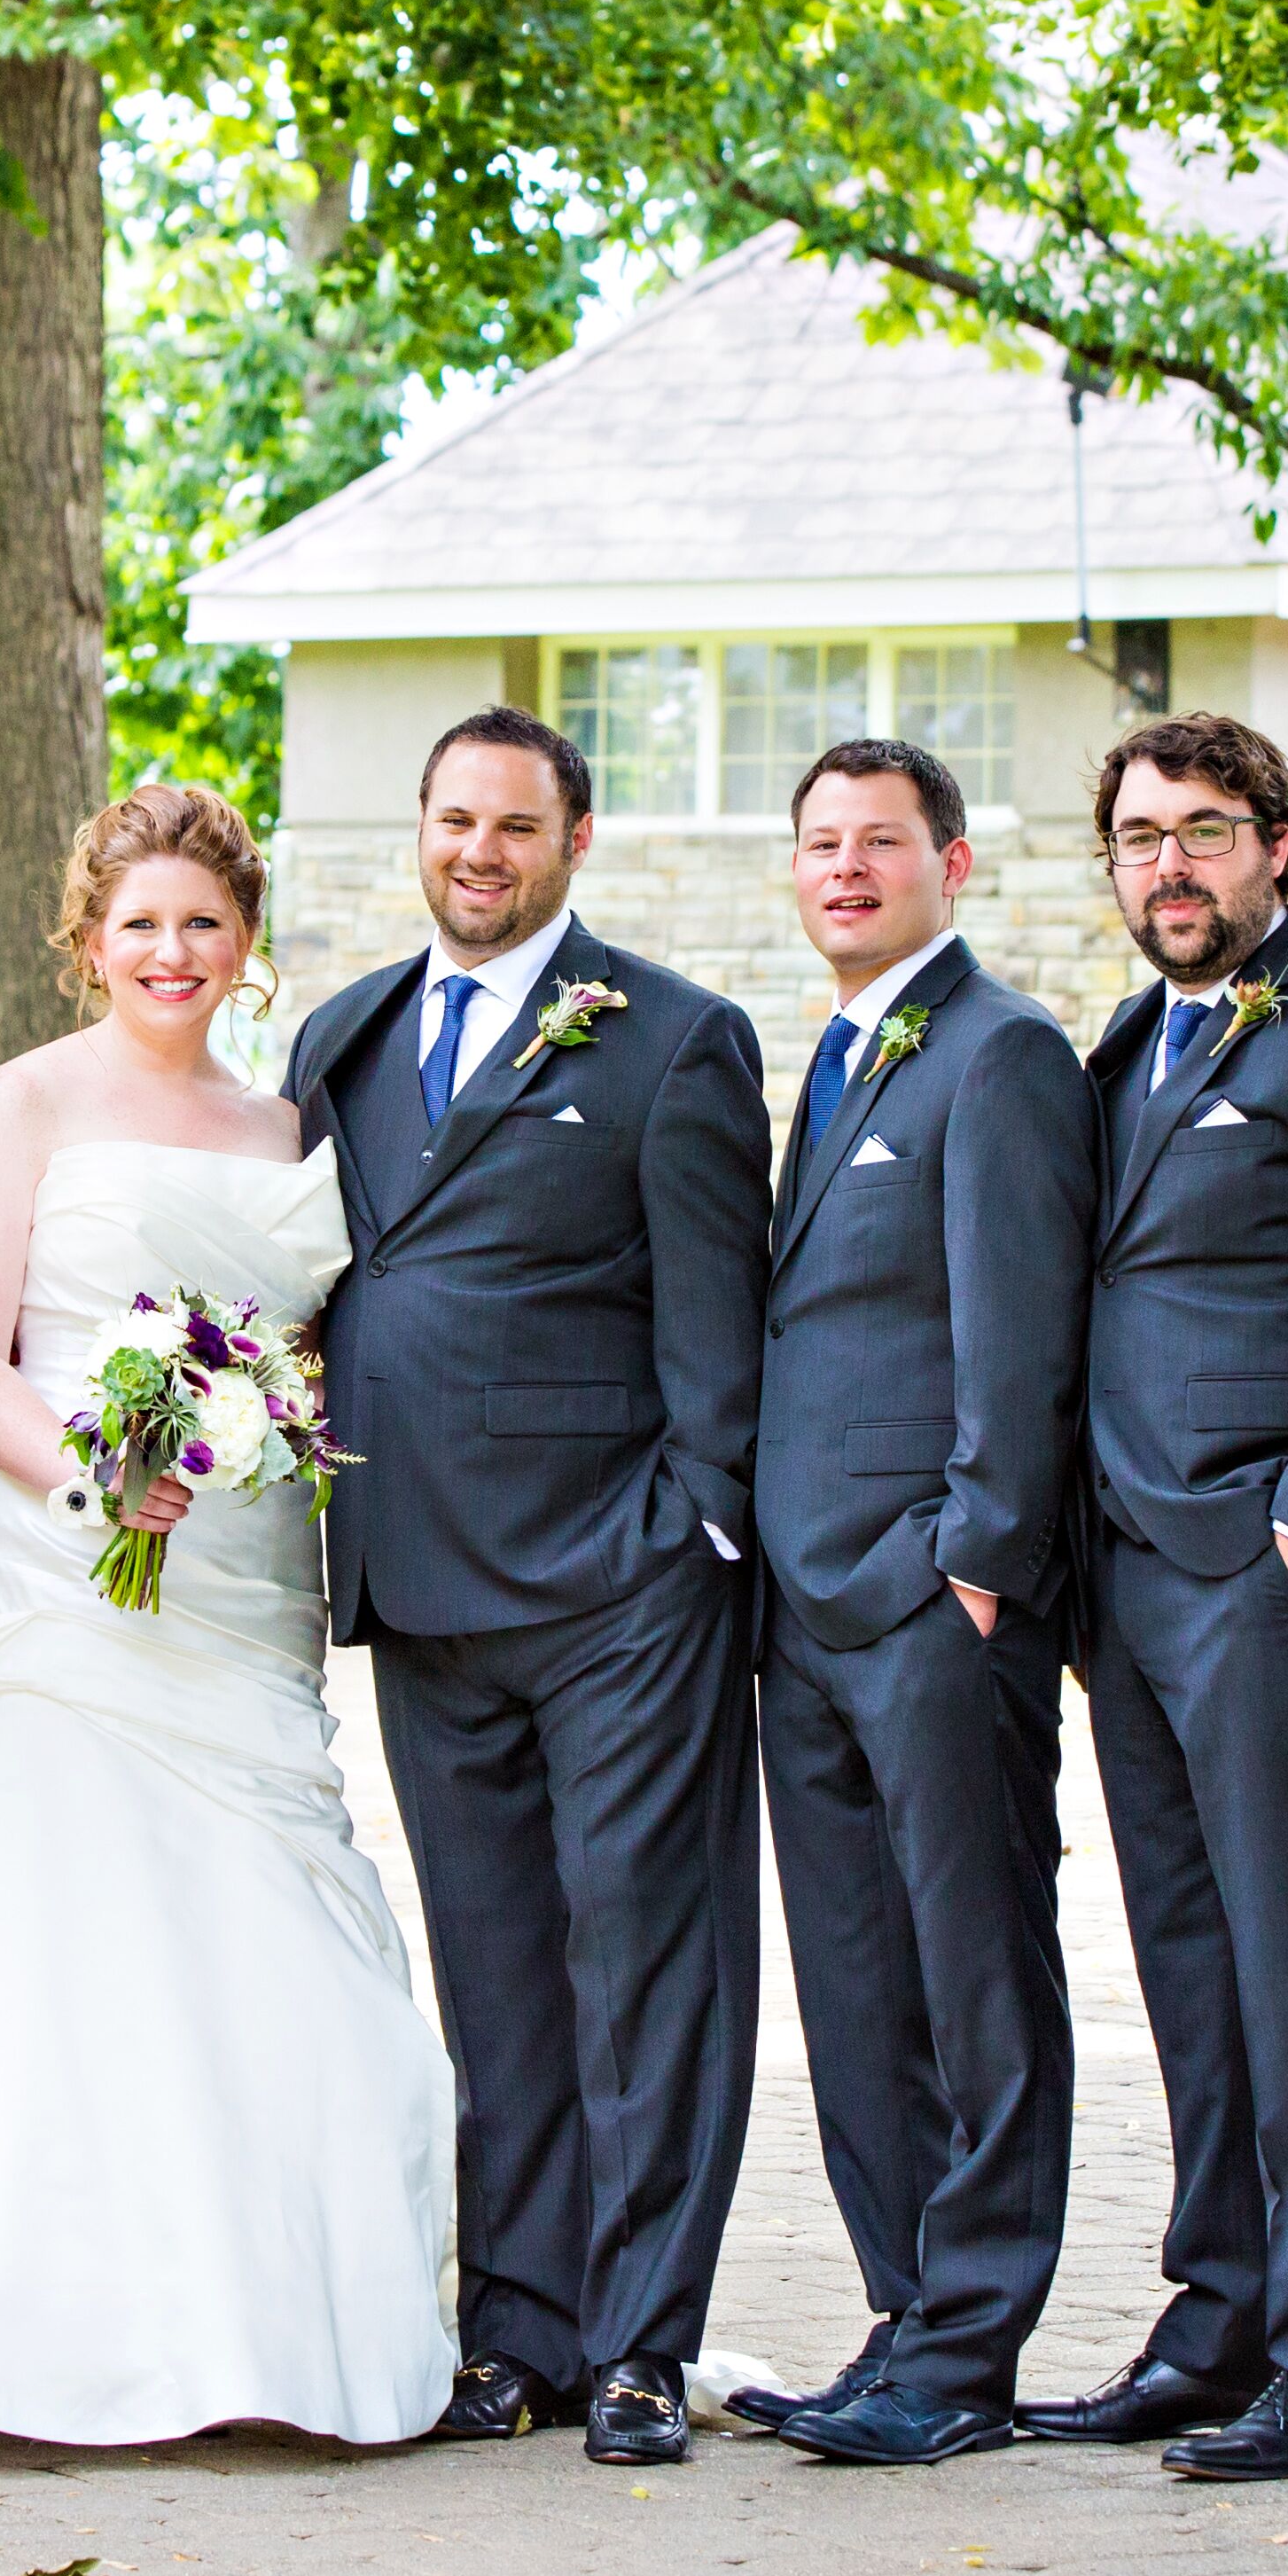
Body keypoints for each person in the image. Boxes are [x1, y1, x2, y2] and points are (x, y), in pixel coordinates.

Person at [0, 784, 455, 2447]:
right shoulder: (21, 1107)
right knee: (65, 1926)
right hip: (62, 1564)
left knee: (271, 1924)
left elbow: (312, 1354)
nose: (170, 953)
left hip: (246, 1573)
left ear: (244, 941)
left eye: (202, 923)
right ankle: (31, 2335)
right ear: (87, 941)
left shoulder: (287, 1128)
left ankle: (278, 2337)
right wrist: (98, 1483)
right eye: (140, 926)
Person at [281, 709, 772, 2470]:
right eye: (453, 820)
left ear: (577, 841)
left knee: (647, 1968)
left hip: (619, 1592)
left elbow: (718, 1330)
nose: (478, 850)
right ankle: (522, 2334)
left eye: (515, 824)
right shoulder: (343, 1039)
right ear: (419, 832)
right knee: (497, 1981)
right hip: (423, 1588)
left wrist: (694, 1533)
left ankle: (641, 2347)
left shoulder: (676, 1043)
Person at [1021, 711, 1288, 2482]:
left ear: (1281, 844)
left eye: (1204, 830)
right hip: (1133, 1584)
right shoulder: (1130, 1045)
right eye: (1139, 836)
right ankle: (1219, 2320)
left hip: (1266, 1580)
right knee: (1192, 1971)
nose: (1171, 865)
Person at [729, 740, 1091, 2467]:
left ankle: (971, 2351)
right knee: (858, 1988)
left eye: (883, 841)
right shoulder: (840, 1048)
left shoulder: (1004, 1053)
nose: (848, 868)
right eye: (822, 843)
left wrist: (971, 1565)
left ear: (955, 862)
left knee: (975, 1981)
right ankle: (901, 2318)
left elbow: (1020, 1343)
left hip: (934, 1609)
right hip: (805, 1618)